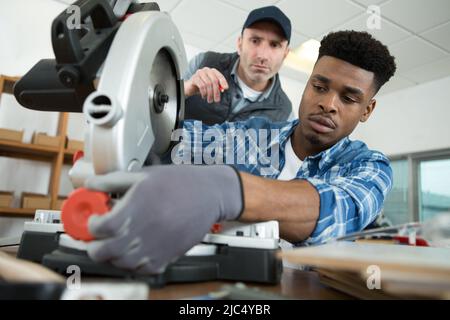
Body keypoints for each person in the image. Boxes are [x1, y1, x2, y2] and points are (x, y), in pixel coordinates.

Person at [84, 30, 397, 274]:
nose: (328, 103)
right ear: (307, 85)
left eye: (349, 98)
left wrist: (226, 189)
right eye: (319, 86)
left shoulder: (370, 167)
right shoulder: (252, 134)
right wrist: (173, 97)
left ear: (367, 109)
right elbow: (168, 138)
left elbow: (339, 210)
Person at [183, 6, 293, 125]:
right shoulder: (203, 61)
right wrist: (185, 89)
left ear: (285, 54)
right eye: (255, 41)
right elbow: (164, 104)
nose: (263, 56)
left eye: (275, 45)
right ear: (240, 44)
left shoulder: (286, 114)